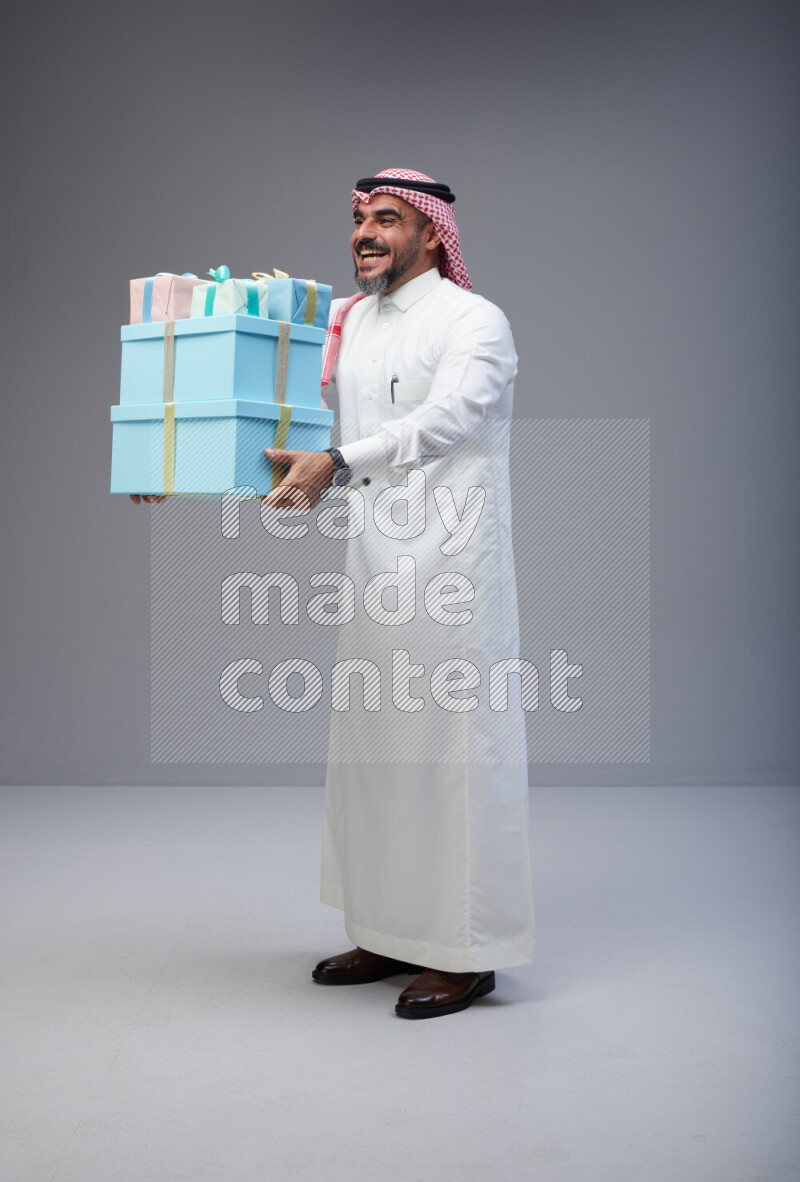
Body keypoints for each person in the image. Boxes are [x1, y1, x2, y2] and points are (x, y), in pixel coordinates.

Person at [262, 169, 535, 1020]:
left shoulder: (472, 320)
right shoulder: (352, 322)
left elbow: (450, 419)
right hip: (374, 558)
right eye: (357, 219)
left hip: (454, 565)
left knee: (450, 756)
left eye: (386, 218)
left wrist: (339, 463)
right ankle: (385, 932)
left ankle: (465, 952)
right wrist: (181, 474)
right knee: (375, 750)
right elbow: (302, 433)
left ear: (430, 233)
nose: (365, 233)